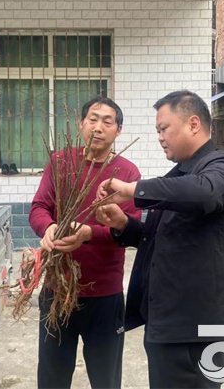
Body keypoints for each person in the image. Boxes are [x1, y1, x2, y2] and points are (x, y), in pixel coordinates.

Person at [95, 90, 224, 388]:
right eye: (157, 131)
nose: (160, 137)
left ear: (193, 124)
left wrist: (133, 189)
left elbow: (206, 193)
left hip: (199, 331)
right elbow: (158, 239)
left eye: (164, 128)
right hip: (169, 326)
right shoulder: (177, 176)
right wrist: (123, 224)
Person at [29, 96, 141, 389]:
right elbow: (39, 207)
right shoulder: (60, 162)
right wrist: (48, 227)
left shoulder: (127, 174)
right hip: (57, 288)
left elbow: (129, 229)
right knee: (52, 378)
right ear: (81, 124)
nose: (98, 127)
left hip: (105, 294)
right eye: (93, 119)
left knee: (106, 379)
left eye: (107, 121)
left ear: (118, 130)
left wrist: (88, 233)